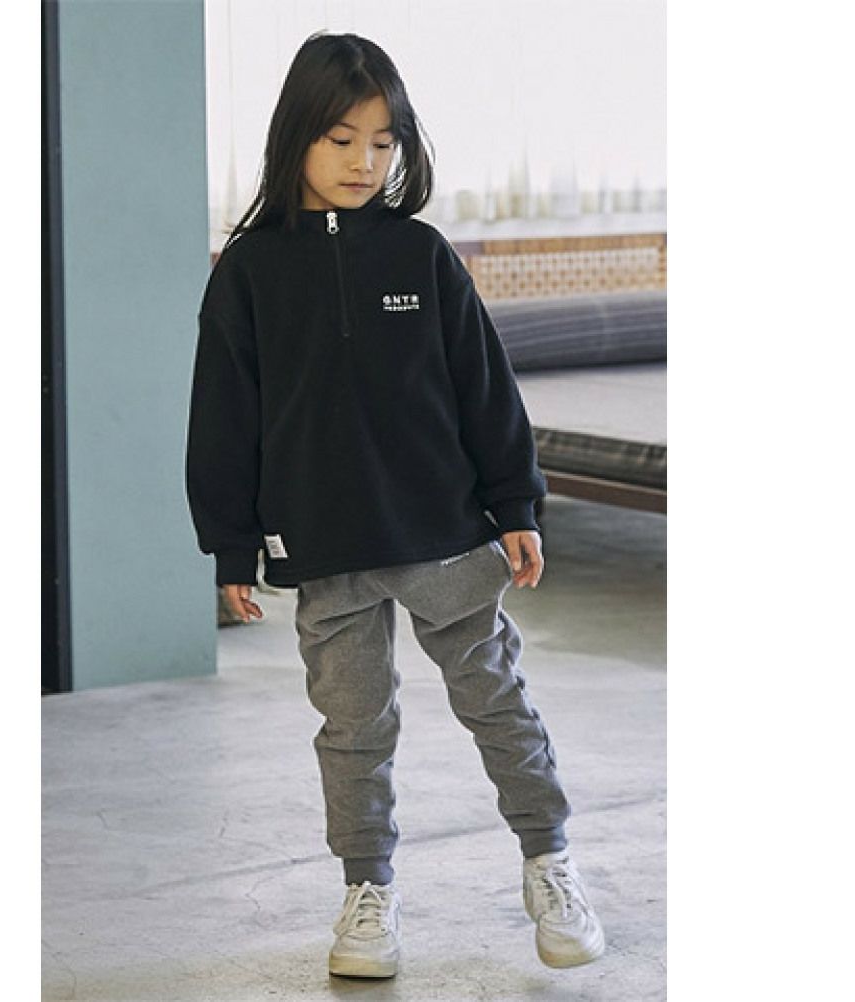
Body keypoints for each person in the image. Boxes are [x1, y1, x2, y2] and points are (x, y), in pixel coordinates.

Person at [185, 31, 605, 977]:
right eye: (341, 139)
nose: (364, 162)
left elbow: (485, 388)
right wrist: (229, 546)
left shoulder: (421, 255)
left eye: (383, 142)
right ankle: (366, 893)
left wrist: (517, 504)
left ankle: (550, 862)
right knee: (354, 731)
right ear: (295, 136)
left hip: (442, 534)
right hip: (324, 544)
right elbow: (223, 418)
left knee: (497, 702)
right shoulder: (249, 273)